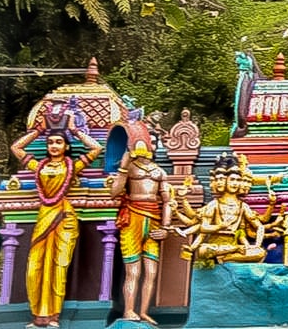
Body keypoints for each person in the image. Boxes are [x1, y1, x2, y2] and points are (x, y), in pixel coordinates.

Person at [11, 108, 103, 328]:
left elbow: (97, 148)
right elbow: (16, 147)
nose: (53, 145)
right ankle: (37, 316)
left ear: (66, 146)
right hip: (44, 217)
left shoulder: (72, 165)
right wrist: (38, 131)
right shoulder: (38, 166)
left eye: (58, 142)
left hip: (64, 219)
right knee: (35, 267)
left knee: (59, 266)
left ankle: (53, 316)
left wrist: (74, 130)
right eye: (50, 142)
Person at [110, 117, 171, 324]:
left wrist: (166, 227)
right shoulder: (130, 168)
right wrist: (124, 167)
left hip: (153, 219)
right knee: (133, 271)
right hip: (133, 219)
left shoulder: (159, 172)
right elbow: (114, 192)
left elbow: (168, 202)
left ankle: (144, 311)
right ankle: (128, 310)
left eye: (154, 142)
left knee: (151, 272)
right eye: (148, 141)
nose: (150, 146)